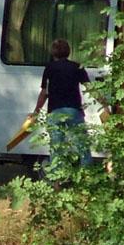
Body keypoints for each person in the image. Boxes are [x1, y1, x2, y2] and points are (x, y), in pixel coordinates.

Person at [32, 38, 92, 170]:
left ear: (53, 53)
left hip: (55, 112)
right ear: (69, 52)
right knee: (83, 146)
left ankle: (57, 183)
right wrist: (104, 103)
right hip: (74, 111)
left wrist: (36, 111)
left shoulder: (49, 68)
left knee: (56, 149)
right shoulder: (77, 67)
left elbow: (44, 93)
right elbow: (90, 87)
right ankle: (87, 180)